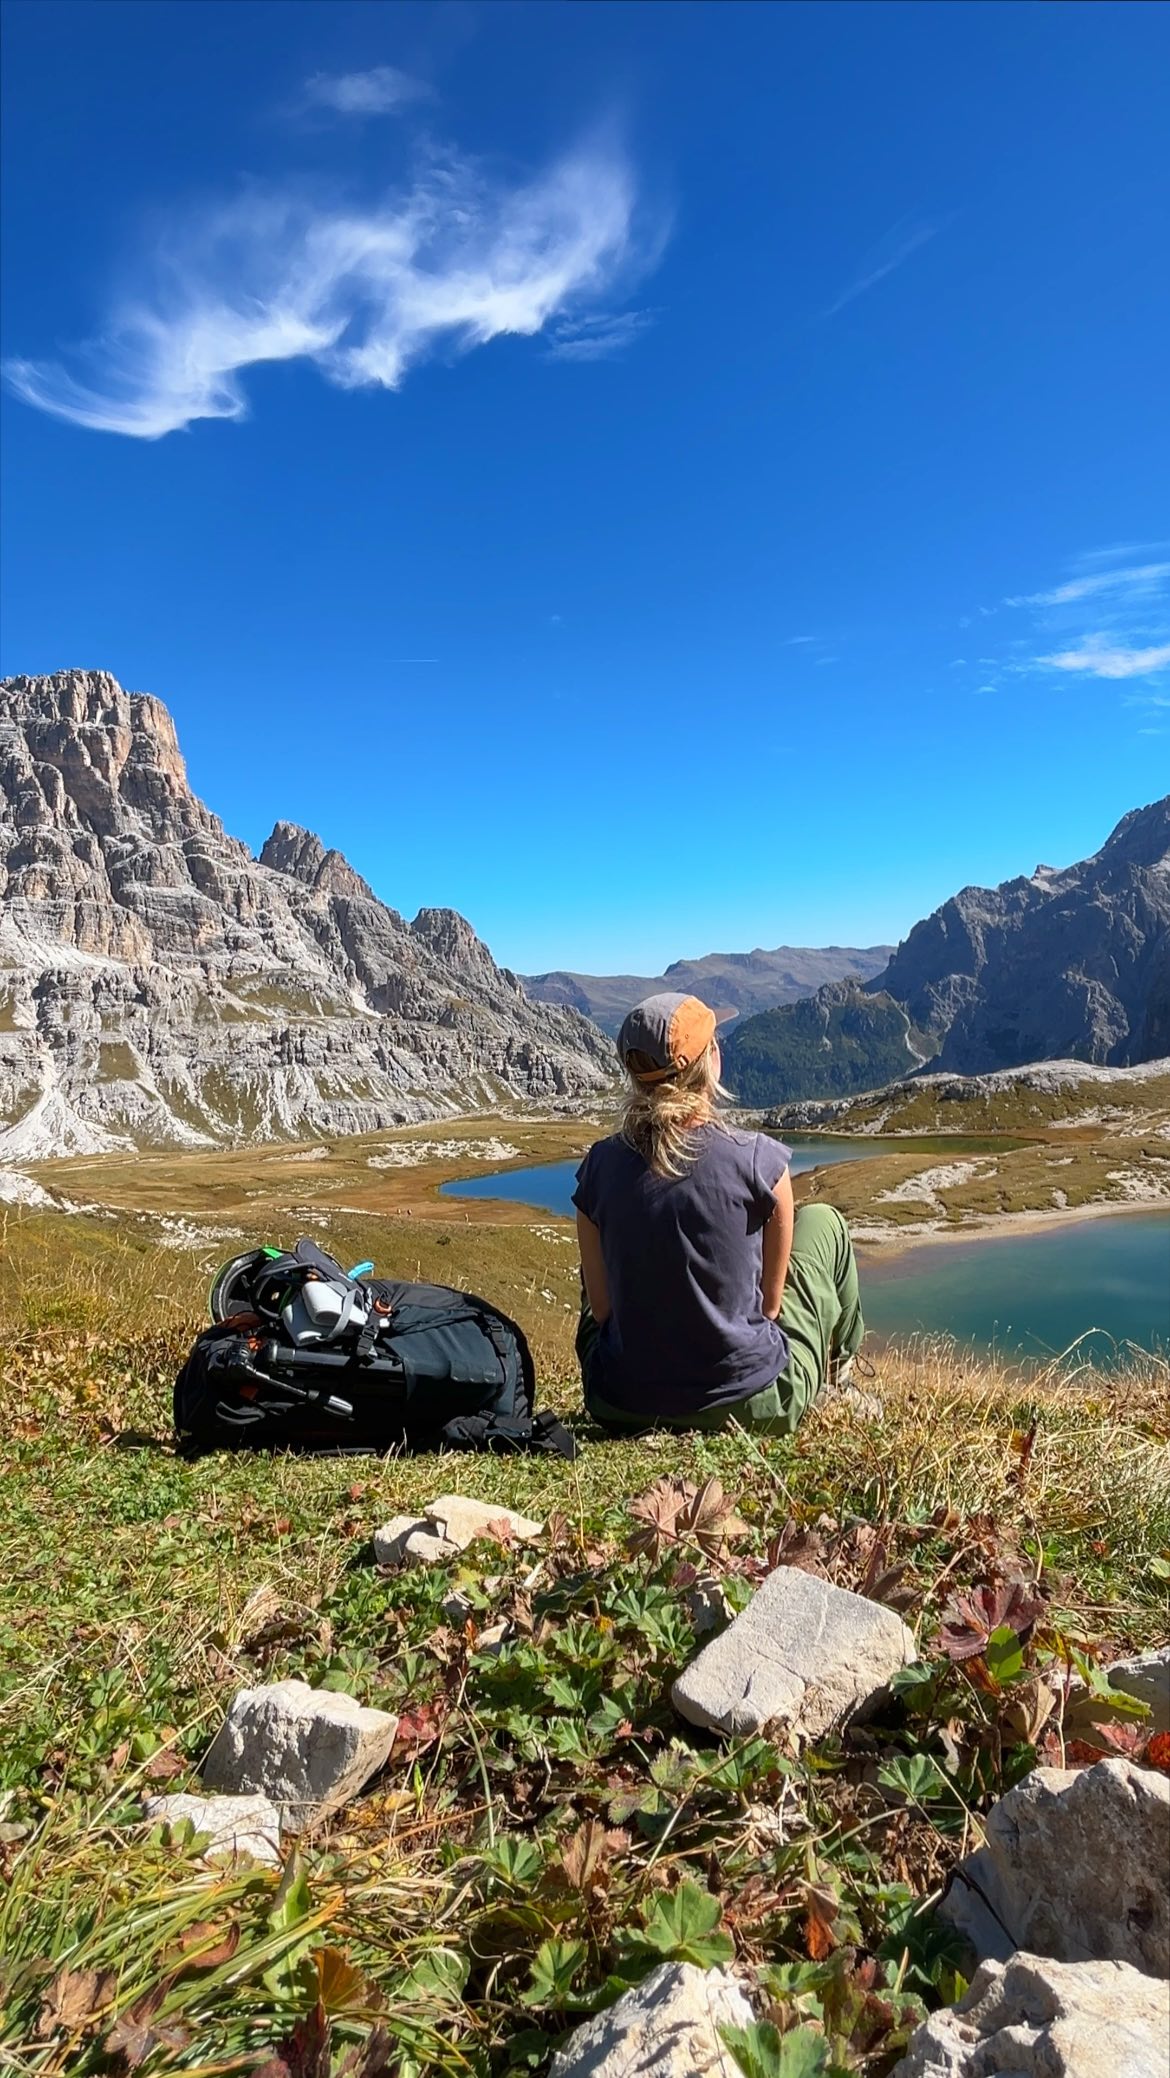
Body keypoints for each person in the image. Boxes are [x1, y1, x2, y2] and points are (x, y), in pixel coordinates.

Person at [573, 991, 867, 1435]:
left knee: (599, 1257)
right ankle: (839, 1372)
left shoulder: (597, 1168)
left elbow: (601, 1309)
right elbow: (770, 1307)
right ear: (710, 1061)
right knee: (824, 1221)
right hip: (756, 1403)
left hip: (620, 1403)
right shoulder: (760, 1162)